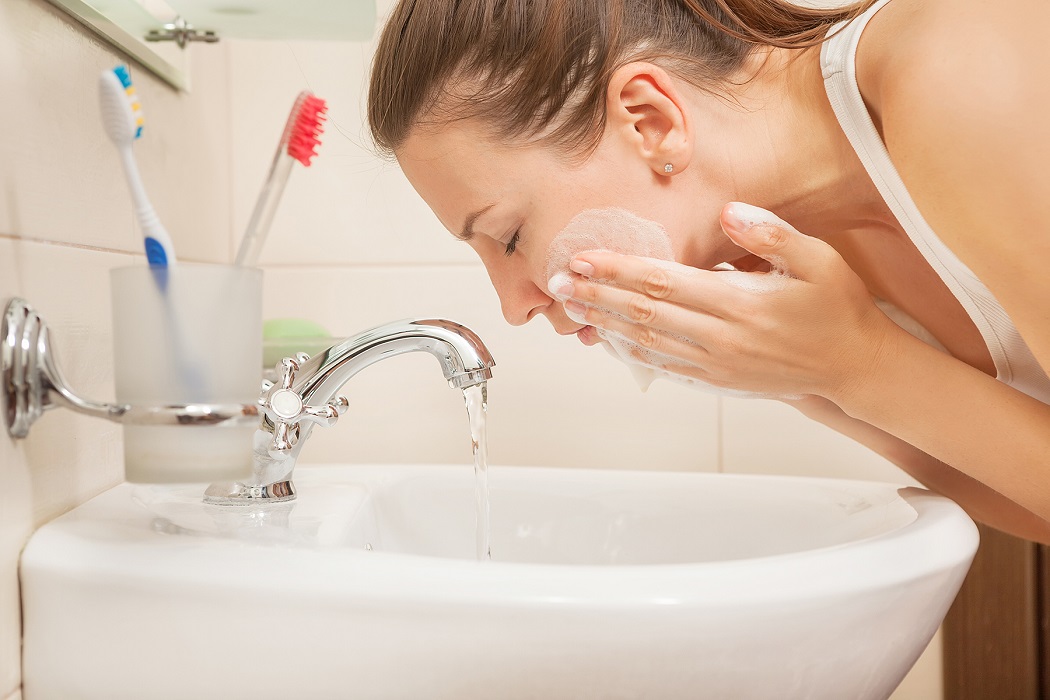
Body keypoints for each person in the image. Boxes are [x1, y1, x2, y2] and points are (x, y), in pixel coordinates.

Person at [366, 0, 1050, 542]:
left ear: (649, 121)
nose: (514, 307)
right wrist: (814, 382)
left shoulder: (955, 73)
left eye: (509, 236)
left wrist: (861, 365)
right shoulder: (795, 257)